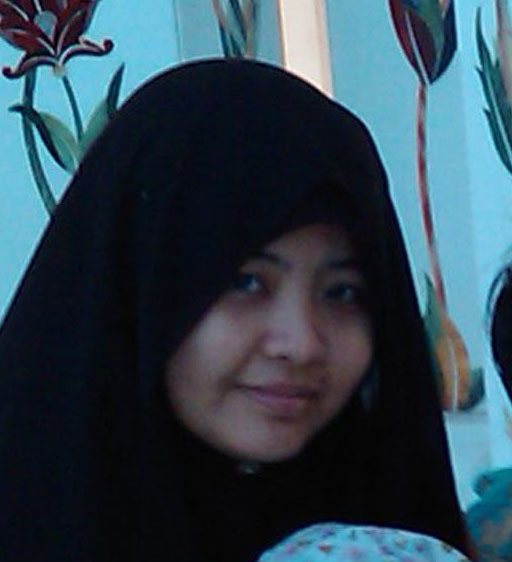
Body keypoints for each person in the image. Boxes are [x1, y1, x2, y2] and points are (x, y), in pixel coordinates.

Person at [0, 59, 469, 561]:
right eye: (245, 283)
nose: (301, 344)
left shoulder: (392, 545)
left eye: (342, 292)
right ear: (137, 289)